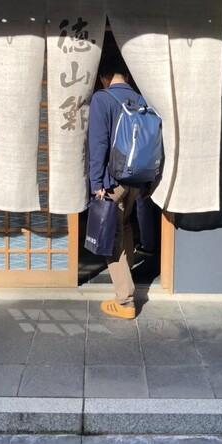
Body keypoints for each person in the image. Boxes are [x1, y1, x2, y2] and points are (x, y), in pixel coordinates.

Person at [88, 64, 142, 319]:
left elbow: (98, 142)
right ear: (127, 77)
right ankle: (126, 279)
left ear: (103, 77)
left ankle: (125, 301)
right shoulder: (140, 100)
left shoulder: (102, 98)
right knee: (126, 226)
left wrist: (96, 182)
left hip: (112, 181)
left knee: (112, 237)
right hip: (136, 180)